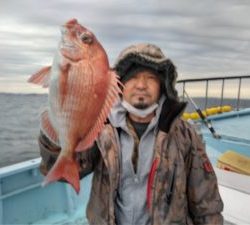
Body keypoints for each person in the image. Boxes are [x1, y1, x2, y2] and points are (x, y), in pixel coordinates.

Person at [39, 43, 224, 225]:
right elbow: (69, 172)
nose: (141, 85)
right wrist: (58, 126)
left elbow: (206, 202)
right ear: (120, 83)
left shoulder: (186, 135)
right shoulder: (99, 128)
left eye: (151, 78)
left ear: (163, 85)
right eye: (133, 77)